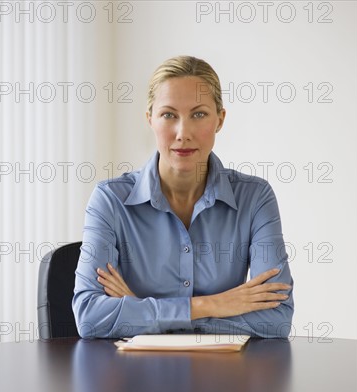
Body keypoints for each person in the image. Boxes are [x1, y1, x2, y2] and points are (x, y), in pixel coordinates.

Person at [72, 55, 294, 339]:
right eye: (169, 115)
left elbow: (275, 320)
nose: (183, 133)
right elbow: (91, 318)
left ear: (220, 120)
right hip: (134, 378)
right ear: (150, 118)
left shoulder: (255, 197)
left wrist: (142, 311)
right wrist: (211, 305)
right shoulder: (110, 200)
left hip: (223, 378)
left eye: (199, 114)